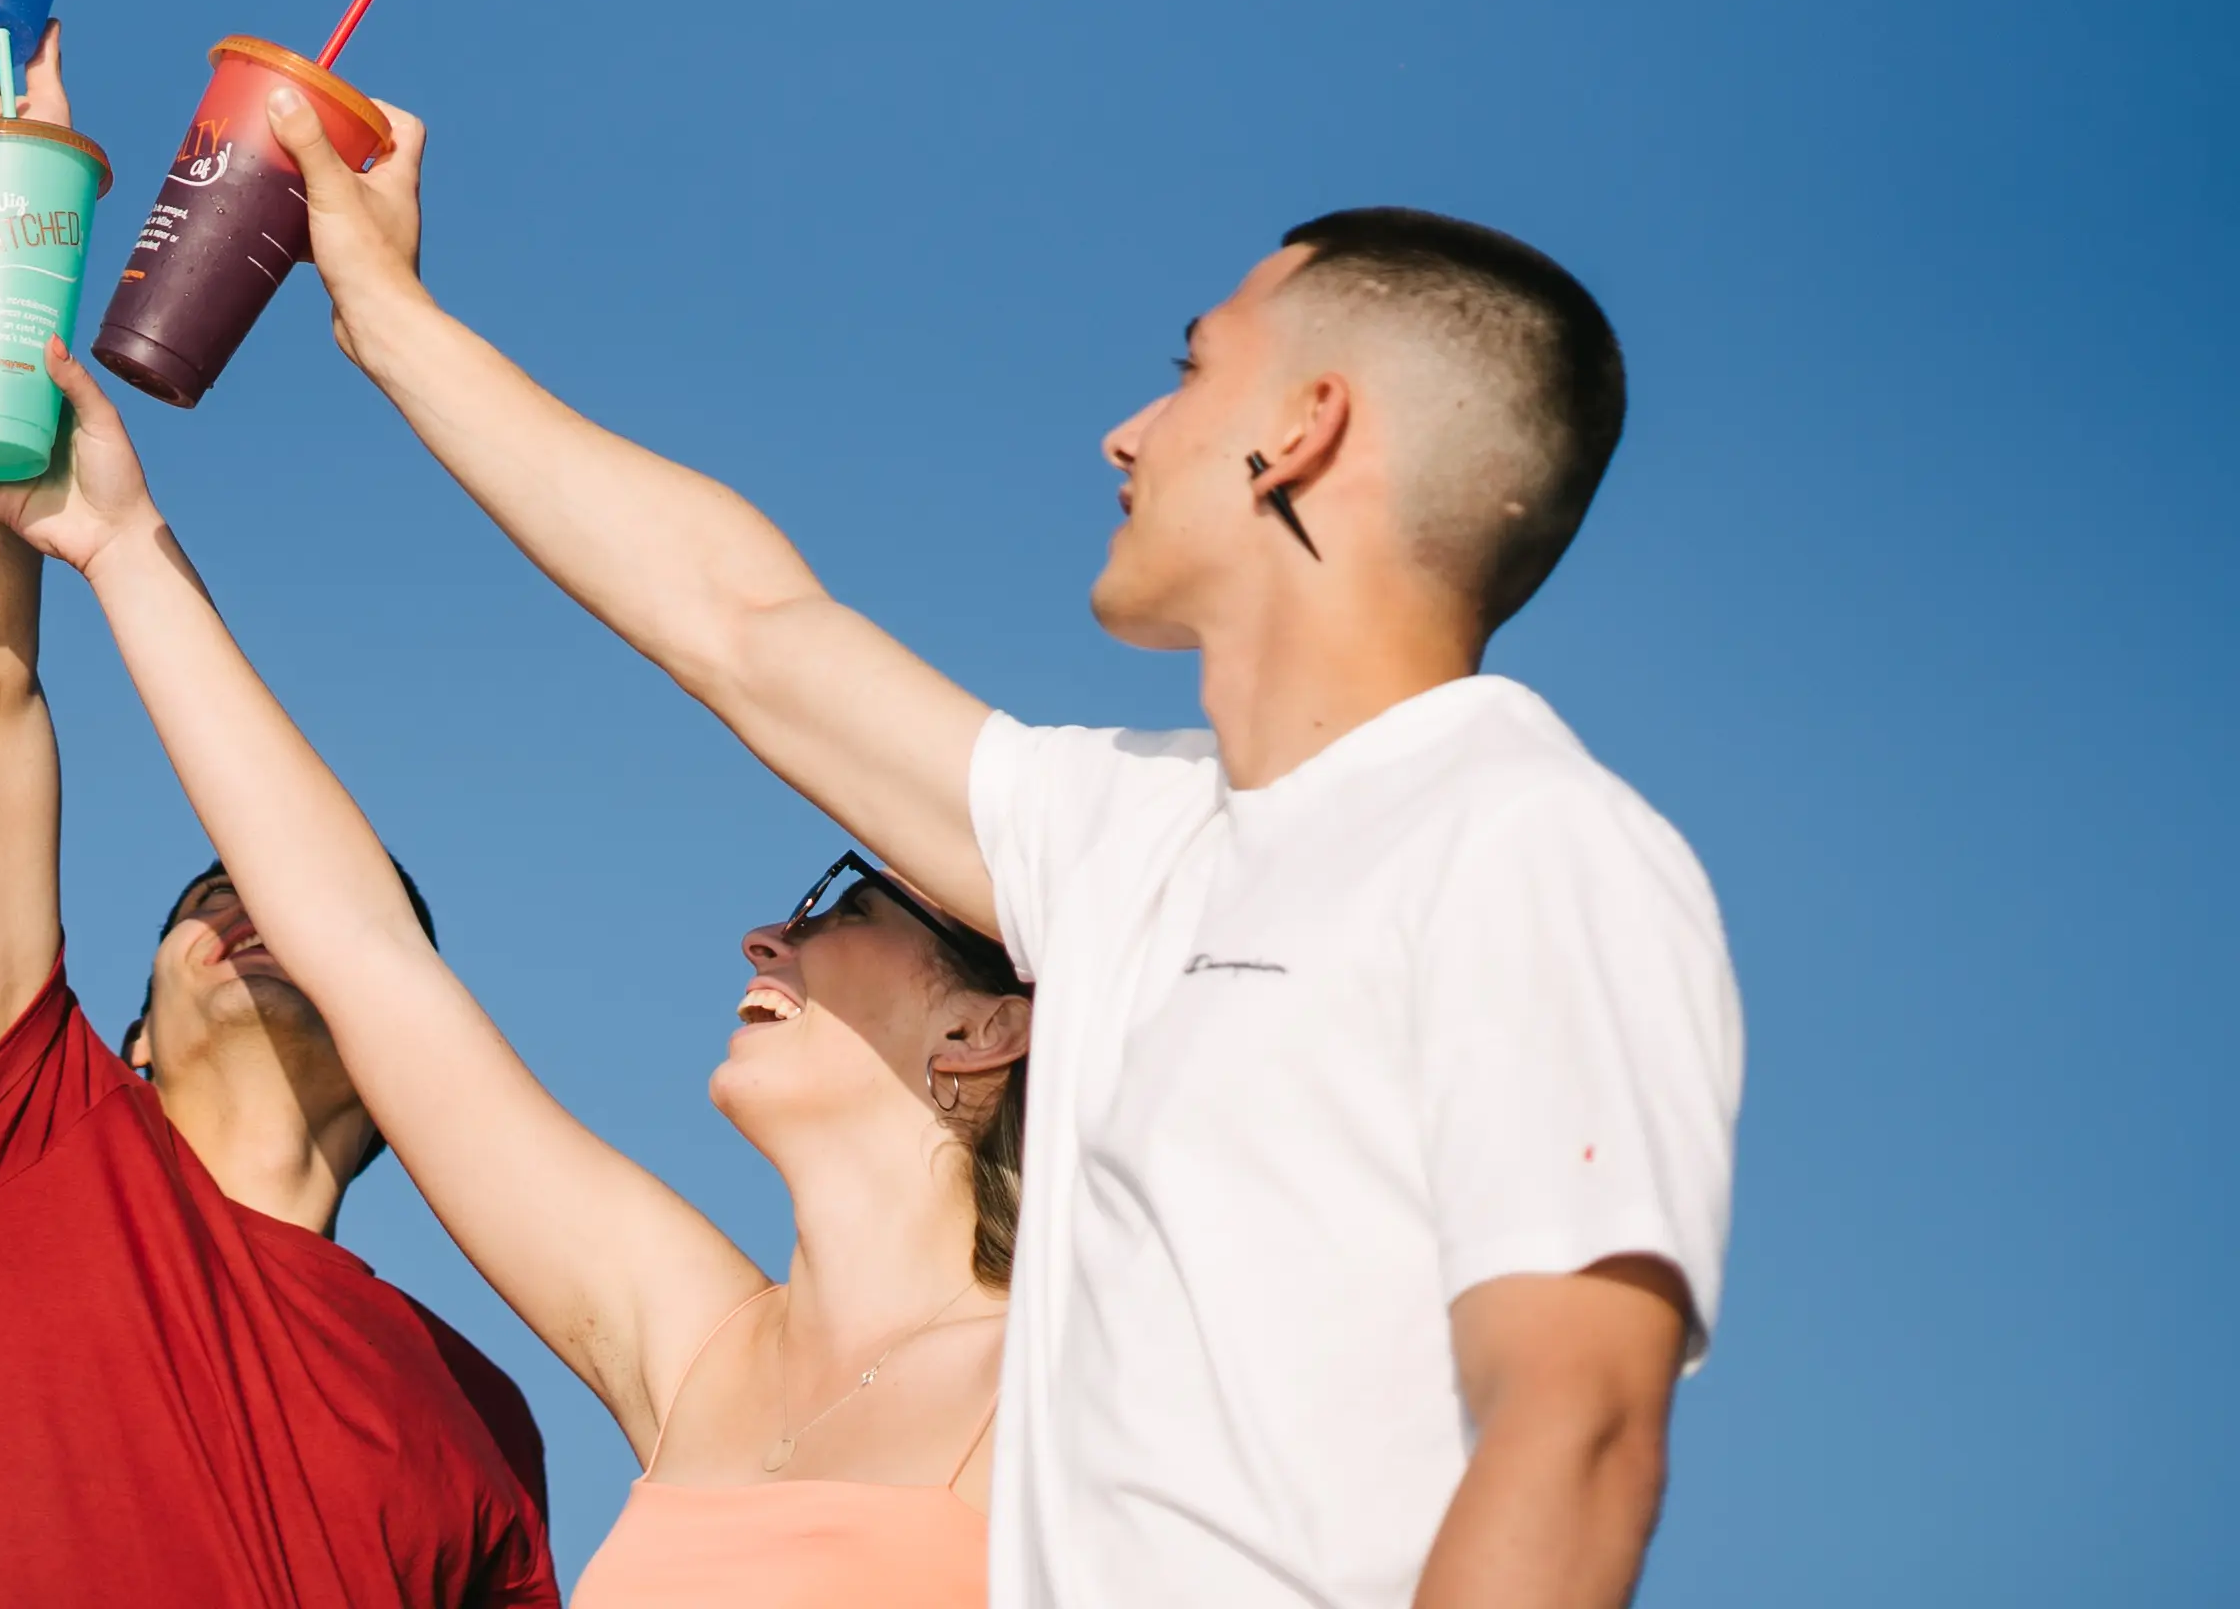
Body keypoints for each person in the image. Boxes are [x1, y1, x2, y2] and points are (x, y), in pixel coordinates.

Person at [246, 85, 1744, 1609]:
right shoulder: (1125, 838)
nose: (1128, 432)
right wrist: (385, 316)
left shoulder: (1522, 842)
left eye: (1191, 371)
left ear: (1306, 429)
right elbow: (742, 624)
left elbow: (1577, 1431)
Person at [0, 339, 1025, 1609]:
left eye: (842, 905)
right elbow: (363, 952)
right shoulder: (697, 1348)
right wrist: (123, 548)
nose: (766, 939)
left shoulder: (1077, 1377)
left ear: (982, 1028)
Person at [0, 0, 558, 1609]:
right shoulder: (20, 1140)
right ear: (119, 1045)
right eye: (204, 899)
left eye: (294, 908)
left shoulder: (482, 1412)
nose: (244, 903)